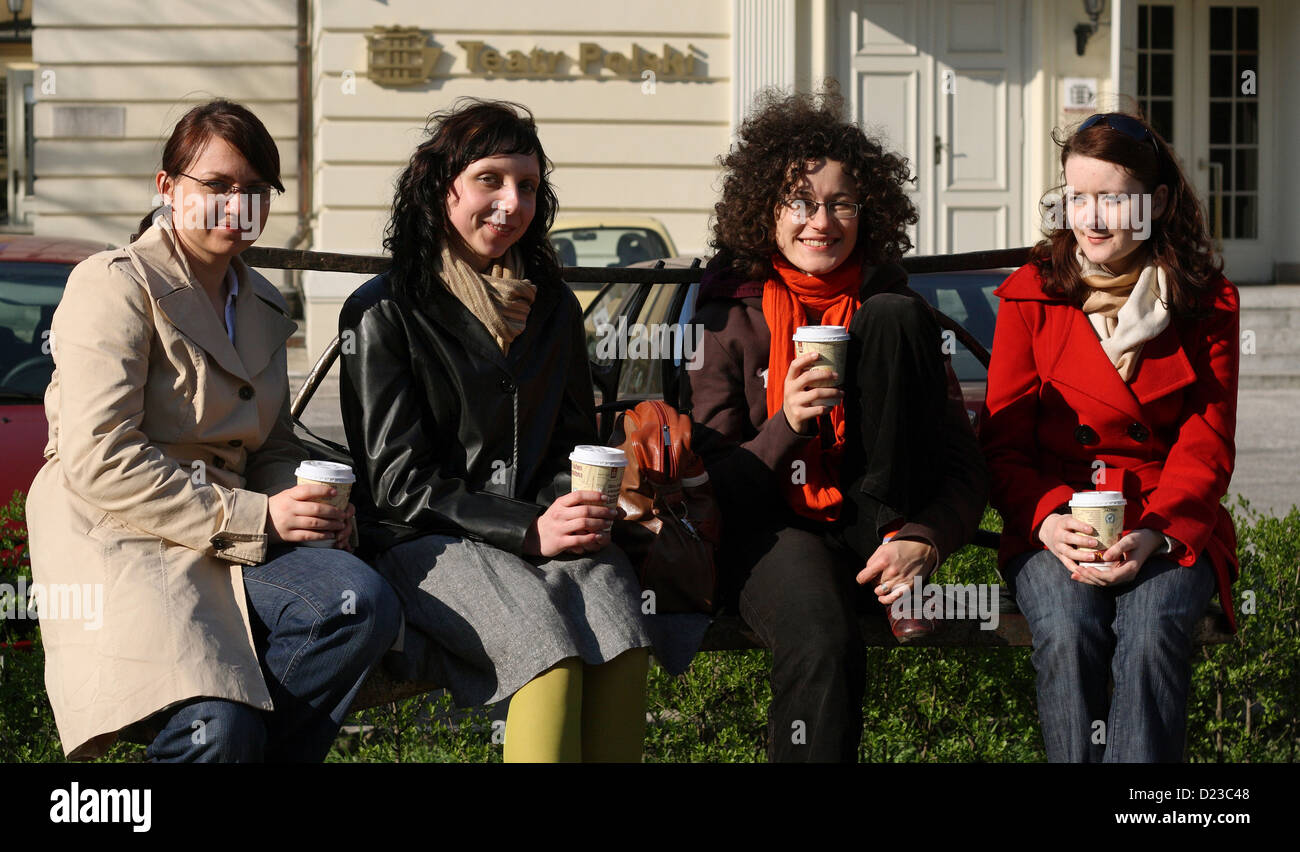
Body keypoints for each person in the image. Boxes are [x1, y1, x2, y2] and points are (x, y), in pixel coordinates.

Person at [26, 100, 401, 762]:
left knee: (356, 603)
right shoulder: (113, 284)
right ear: (168, 189)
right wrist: (262, 516)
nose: (238, 206)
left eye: (255, 191)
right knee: (216, 727)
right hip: (127, 538)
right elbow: (101, 458)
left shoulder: (259, 300)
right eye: (219, 186)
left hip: (228, 542)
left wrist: (311, 508)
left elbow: (274, 445)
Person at [339, 98, 672, 764]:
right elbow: (398, 482)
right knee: (548, 655)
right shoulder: (383, 310)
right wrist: (526, 529)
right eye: (490, 178)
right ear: (444, 187)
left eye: (526, 184)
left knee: (622, 635)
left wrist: (571, 505)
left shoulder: (550, 307)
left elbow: (569, 442)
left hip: (539, 527)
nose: (511, 201)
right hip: (427, 542)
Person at [682, 85, 988, 762]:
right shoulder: (728, 316)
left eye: (840, 203)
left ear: (865, 211)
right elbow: (713, 486)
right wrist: (787, 423)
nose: (820, 221)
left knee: (894, 318)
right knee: (823, 641)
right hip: (775, 529)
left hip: (879, 521)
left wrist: (924, 538)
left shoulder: (894, 307)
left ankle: (887, 541)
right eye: (799, 201)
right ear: (766, 210)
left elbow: (966, 470)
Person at [980, 111, 1239, 762]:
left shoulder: (1206, 301)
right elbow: (1003, 442)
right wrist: (1044, 519)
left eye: (1113, 199)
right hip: (1057, 525)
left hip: (1166, 522)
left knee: (1153, 633)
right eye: (1078, 198)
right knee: (1069, 629)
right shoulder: (1028, 296)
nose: (1091, 219)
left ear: (1153, 203)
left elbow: (1207, 439)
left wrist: (1157, 531)